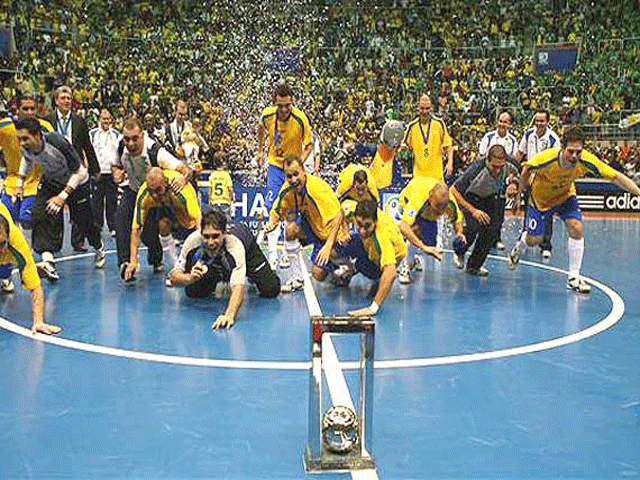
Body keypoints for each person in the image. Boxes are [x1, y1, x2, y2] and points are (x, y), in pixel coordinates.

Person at [509, 126, 640, 293]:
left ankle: (573, 276)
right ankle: (519, 247)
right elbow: (526, 169)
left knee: (576, 227)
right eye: (570, 151)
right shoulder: (547, 159)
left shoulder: (586, 161)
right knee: (534, 240)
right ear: (562, 147)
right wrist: (519, 195)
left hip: (565, 196)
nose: (574, 156)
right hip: (540, 200)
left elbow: (615, 176)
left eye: (578, 152)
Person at [15, 117, 106, 281]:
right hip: (51, 182)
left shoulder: (57, 143)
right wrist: (20, 182)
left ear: (37, 135)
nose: (21, 143)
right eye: (19, 139)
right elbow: (27, 159)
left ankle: (98, 246)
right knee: (41, 215)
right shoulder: (25, 147)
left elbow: (80, 172)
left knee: (84, 223)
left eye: (25, 138)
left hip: (76, 183)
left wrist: (62, 196)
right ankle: (48, 263)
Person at [170, 210, 281, 330]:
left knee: (271, 289)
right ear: (200, 233)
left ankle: (250, 274)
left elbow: (238, 286)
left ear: (224, 234)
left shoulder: (235, 245)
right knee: (193, 292)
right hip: (217, 261)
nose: (210, 242)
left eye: (215, 236)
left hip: (248, 252)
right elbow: (173, 277)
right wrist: (189, 278)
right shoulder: (192, 241)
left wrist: (229, 315)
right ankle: (216, 274)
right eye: (206, 236)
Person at [112, 117, 193, 276]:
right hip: (133, 189)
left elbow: (186, 170)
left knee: (149, 233)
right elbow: (115, 165)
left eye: (135, 138)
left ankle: (156, 259)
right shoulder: (120, 146)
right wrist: (116, 173)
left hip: (154, 194)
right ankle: (126, 264)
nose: (131, 143)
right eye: (127, 139)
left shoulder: (157, 152)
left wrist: (182, 177)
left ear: (142, 135)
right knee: (121, 221)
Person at [265, 155, 348, 291]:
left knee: (318, 274)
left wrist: (328, 246)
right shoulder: (287, 189)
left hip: (332, 233)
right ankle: (297, 278)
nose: (293, 180)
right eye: (289, 176)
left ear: (303, 171)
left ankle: (344, 266)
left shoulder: (316, 190)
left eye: (296, 174)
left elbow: (338, 216)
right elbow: (277, 210)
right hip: (313, 227)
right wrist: (271, 223)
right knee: (290, 229)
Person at [257, 84, 313, 270]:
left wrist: (300, 164)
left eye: (287, 105)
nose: (283, 109)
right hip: (275, 166)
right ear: (274, 103)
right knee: (274, 208)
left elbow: (309, 145)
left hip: (293, 171)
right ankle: (272, 255)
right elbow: (260, 128)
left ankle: (288, 256)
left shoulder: (300, 118)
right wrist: (260, 151)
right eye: (280, 105)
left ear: (292, 103)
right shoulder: (267, 115)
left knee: (291, 213)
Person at [46, 85, 100, 253]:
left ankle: (79, 241)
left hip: (75, 170)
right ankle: (55, 243)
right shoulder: (47, 121)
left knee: (81, 211)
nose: (67, 101)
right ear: (56, 101)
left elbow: (87, 146)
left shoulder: (78, 121)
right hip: (55, 171)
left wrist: (95, 168)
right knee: (55, 207)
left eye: (69, 98)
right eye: (63, 98)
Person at [450, 145, 520, 276]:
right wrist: (473, 211)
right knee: (473, 226)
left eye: (501, 167)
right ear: (487, 160)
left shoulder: (511, 164)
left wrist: (513, 185)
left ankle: (474, 266)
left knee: (492, 231)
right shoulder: (476, 169)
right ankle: (460, 250)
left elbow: (518, 175)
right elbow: (454, 190)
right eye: (494, 167)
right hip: (472, 197)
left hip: (493, 196)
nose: (498, 171)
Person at [123, 167, 201, 283]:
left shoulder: (180, 189)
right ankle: (175, 267)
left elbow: (198, 221)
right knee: (162, 225)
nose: (154, 195)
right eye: (151, 190)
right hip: (166, 209)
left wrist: (201, 255)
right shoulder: (144, 194)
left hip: (185, 214)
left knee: (193, 243)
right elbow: (136, 228)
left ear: (165, 182)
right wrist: (133, 260)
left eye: (158, 189)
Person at [0, 204, 61, 334]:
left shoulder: (17, 243)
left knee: (25, 268)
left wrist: (38, 321)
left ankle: (30, 266)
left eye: (1, 244)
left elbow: (35, 286)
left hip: (11, 252)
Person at [342, 200, 406, 317]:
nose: (362, 230)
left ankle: (357, 268)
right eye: (359, 224)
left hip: (382, 258)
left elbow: (391, 272)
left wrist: (372, 308)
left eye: (367, 226)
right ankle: (351, 267)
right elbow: (341, 213)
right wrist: (345, 232)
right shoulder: (351, 209)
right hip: (368, 244)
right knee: (341, 245)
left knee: (366, 267)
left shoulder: (383, 236)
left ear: (375, 222)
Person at [0, 95, 53, 236]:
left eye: (32, 109)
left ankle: (30, 252)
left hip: (36, 186)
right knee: (6, 222)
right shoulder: (4, 127)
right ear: (17, 110)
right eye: (25, 109)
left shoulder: (45, 128)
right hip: (11, 185)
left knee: (26, 220)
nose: (29, 112)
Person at [396, 177, 466, 284]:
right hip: (408, 198)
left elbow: (457, 220)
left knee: (430, 243)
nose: (440, 211)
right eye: (438, 206)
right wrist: (422, 246)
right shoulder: (418, 199)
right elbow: (404, 226)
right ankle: (406, 268)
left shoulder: (450, 201)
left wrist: (460, 235)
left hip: (427, 211)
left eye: (444, 207)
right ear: (430, 196)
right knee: (414, 232)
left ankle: (413, 258)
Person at [515, 109, 560, 258]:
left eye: (542, 121)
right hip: (529, 178)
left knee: (546, 213)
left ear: (547, 122)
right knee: (529, 210)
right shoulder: (528, 134)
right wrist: (513, 169)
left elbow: (556, 161)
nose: (539, 123)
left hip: (546, 181)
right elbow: (520, 154)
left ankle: (545, 245)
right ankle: (525, 238)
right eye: (537, 120)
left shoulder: (553, 139)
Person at [477, 110, 518, 250]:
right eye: (500, 121)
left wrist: (510, 182)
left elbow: (512, 162)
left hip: (502, 181)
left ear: (509, 124)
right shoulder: (488, 137)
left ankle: (496, 239)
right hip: (486, 180)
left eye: (505, 122)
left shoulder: (512, 141)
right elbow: (481, 157)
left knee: (499, 211)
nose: (502, 124)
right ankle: (482, 238)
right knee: (484, 209)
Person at [402, 94, 453, 181]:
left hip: (436, 176)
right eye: (422, 108)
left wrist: (450, 163)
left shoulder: (439, 124)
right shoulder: (412, 126)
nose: (424, 111)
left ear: (431, 108)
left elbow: (448, 146)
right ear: (418, 108)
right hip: (418, 176)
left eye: (427, 108)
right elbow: (404, 146)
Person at [89, 108, 119, 236]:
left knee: (112, 201)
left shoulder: (116, 134)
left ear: (111, 120)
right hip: (98, 172)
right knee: (97, 201)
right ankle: (98, 225)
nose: (106, 121)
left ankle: (113, 226)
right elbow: (89, 152)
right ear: (99, 119)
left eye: (108, 119)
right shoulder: (93, 133)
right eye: (103, 118)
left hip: (111, 172)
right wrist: (92, 169)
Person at [368, 119, 405, 189]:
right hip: (371, 192)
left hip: (386, 193)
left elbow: (397, 178)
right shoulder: (372, 150)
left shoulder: (393, 159)